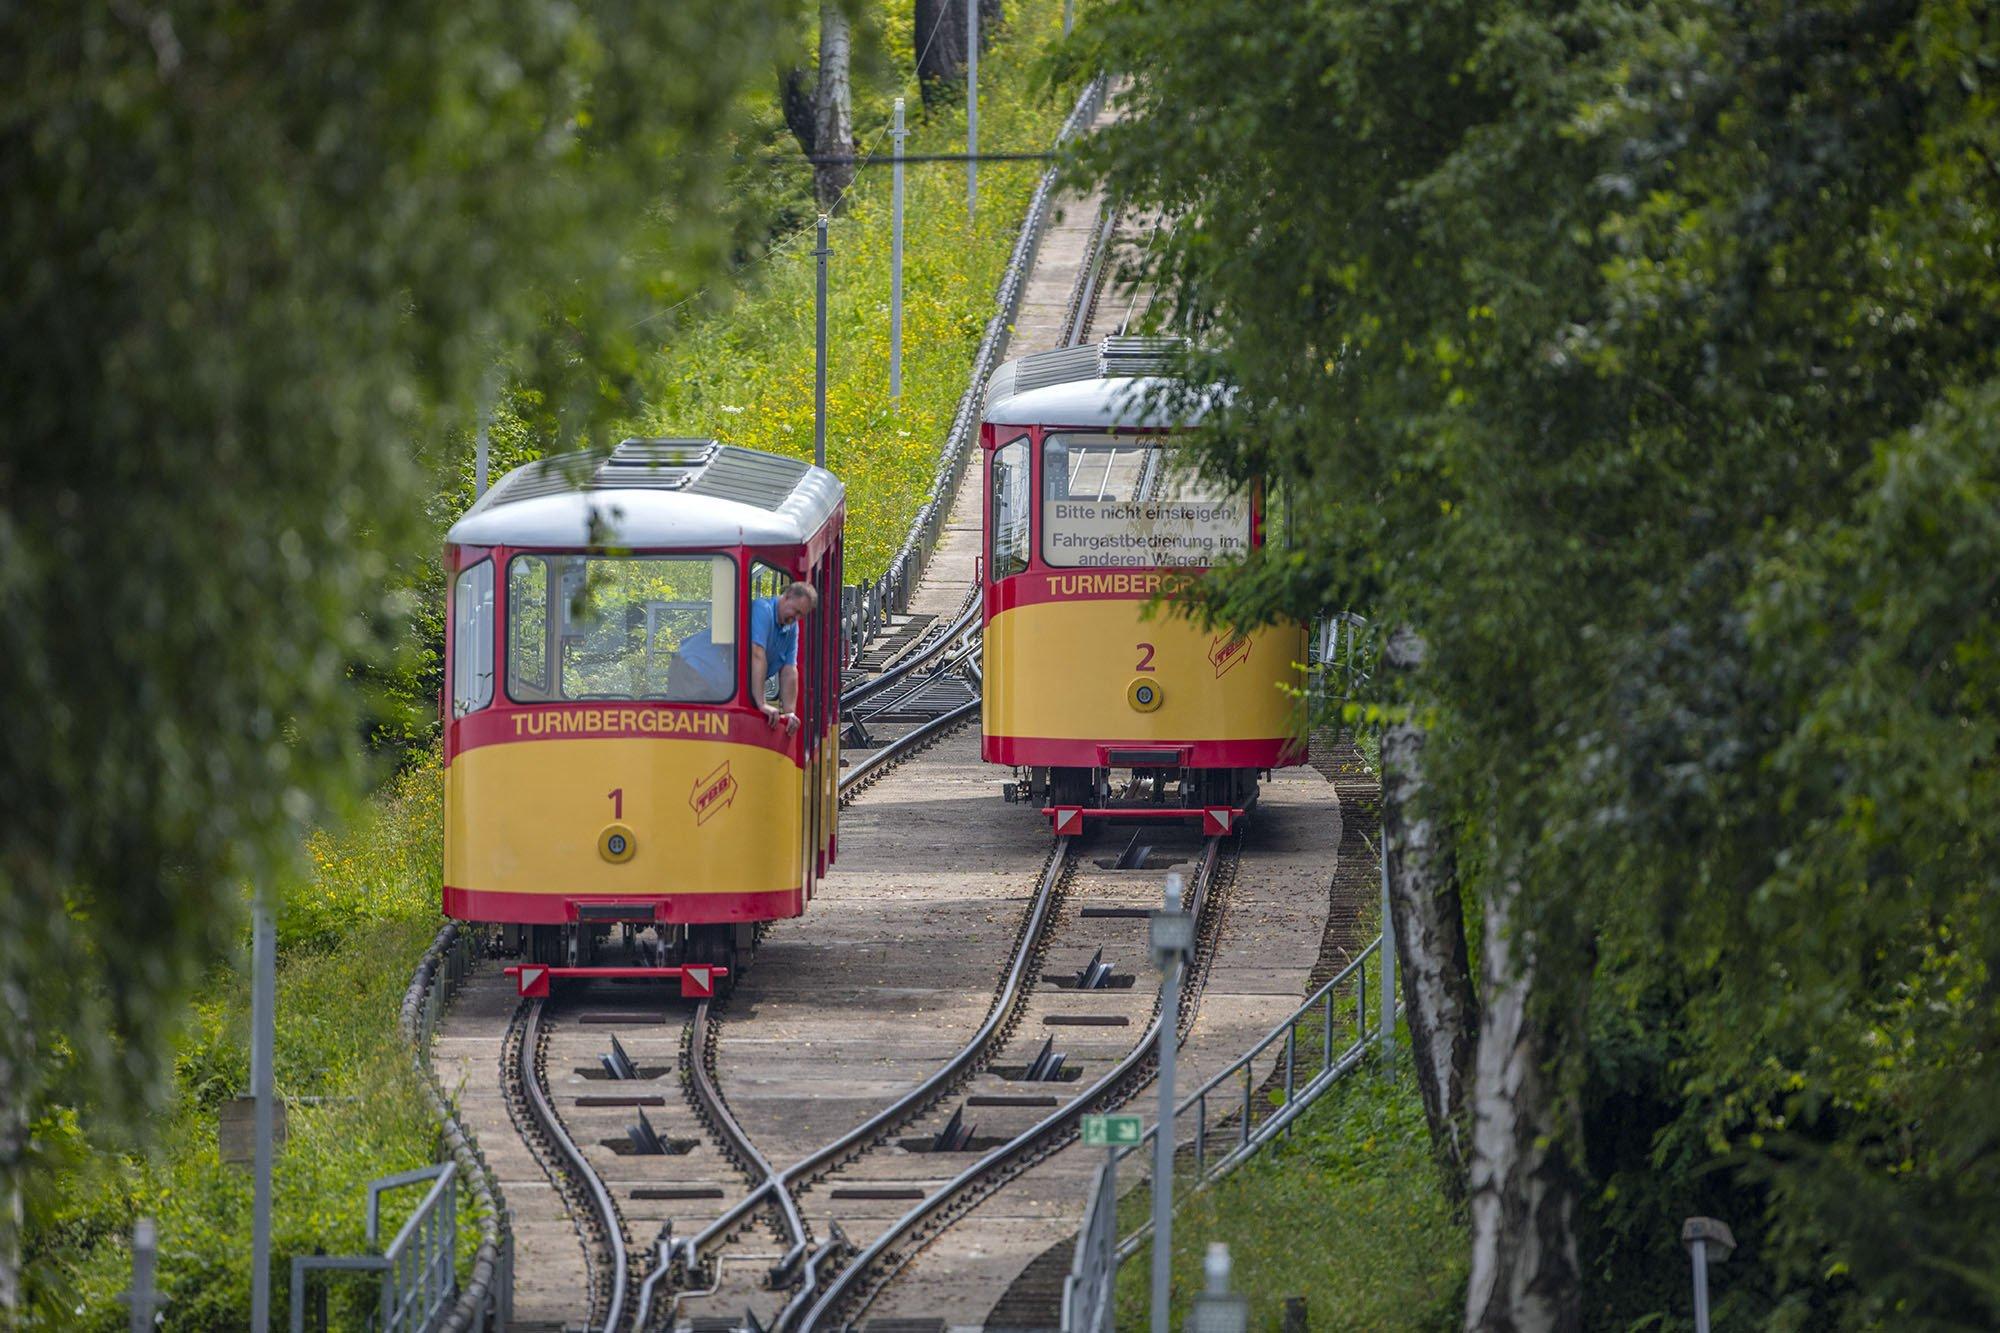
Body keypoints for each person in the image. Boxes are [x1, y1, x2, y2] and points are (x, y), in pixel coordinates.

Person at [669, 581, 817, 735]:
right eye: (796, 610)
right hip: (694, 668)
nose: (796, 617)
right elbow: (757, 653)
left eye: (801, 615)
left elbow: (789, 670)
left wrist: (789, 713)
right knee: (686, 730)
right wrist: (761, 704)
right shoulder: (763, 609)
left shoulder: (790, 627)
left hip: (720, 682)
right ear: (787, 597)